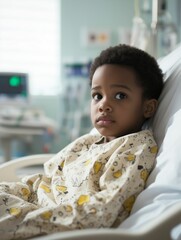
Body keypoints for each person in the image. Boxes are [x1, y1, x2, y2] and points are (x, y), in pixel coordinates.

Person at [0, 44, 163, 239]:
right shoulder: (89, 141)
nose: (104, 105)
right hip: (35, 200)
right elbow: (47, 180)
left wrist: (29, 218)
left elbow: (104, 210)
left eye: (120, 95)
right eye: (97, 95)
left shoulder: (135, 148)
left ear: (148, 108)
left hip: (59, 222)